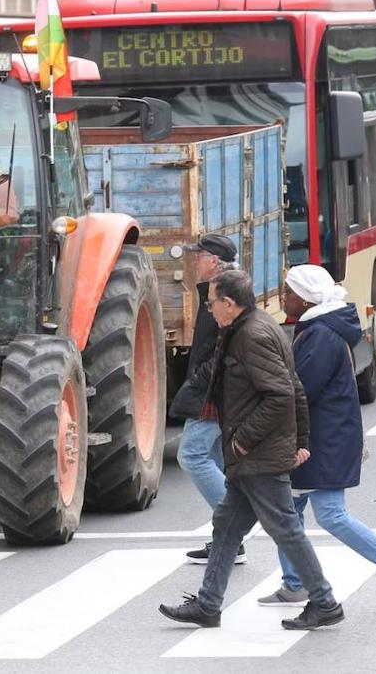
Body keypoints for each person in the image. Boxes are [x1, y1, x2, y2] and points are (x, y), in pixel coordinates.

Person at [159, 269, 344, 631]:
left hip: (259, 455)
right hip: (252, 456)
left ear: (229, 303)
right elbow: (294, 387)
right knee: (227, 527)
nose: (209, 309)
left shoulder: (252, 336)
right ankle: (208, 605)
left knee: (286, 529)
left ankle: (324, 601)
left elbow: (282, 394)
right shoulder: (250, 327)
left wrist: (243, 439)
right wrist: (301, 440)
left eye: (211, 303)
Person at [255, 265, 376, 611]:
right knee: (289, 509)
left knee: (329, 514)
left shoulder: (322, 336)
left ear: (305, 297)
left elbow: (302, 389)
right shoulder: (318, 329)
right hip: (319, 436)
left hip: (326, 440)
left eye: (288, 292)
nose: (284, 298)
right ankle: (295, 583)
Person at [168, 233, 246, 566]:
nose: (194, 261)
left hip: (214, 392)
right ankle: (229, 543)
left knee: (192, 455)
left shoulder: (224, 298)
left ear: (213, 261)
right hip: (214, 389)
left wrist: (199, 382)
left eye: (198, 256)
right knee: (215, 463)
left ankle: (235, 525)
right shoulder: (215, 292)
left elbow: (222, 349)